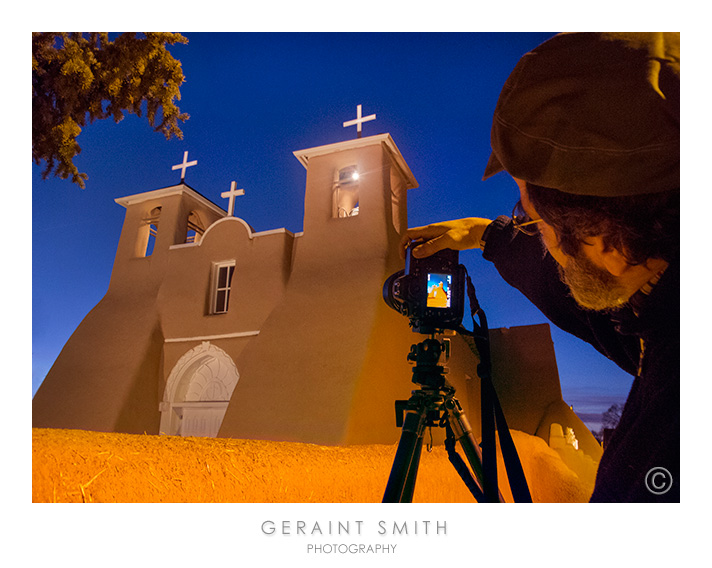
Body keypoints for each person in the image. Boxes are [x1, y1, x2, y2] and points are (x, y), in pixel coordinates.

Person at [401, 32, 679, 502]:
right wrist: (490, 236)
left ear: (602, 239)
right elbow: (590, 309)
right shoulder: (662, 308)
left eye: (533, 221)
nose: (541, 241)